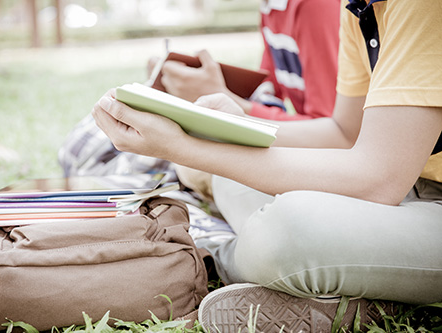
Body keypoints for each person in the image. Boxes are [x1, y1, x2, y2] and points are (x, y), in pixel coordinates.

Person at [92, 0, 442, 331]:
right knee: (230, 172)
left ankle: (210, 259)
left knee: (286, 229)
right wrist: (241, 122)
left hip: (410, 194)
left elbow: (380, 180)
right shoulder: (359, 7)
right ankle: (353, 293)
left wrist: (183, 148)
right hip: (410, 190)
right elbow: (345, 132)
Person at [157, 0, 340, 121]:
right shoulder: (270, 6)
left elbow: (330, 127)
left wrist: (232, 102)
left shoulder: (314, 5)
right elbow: (267, 91)